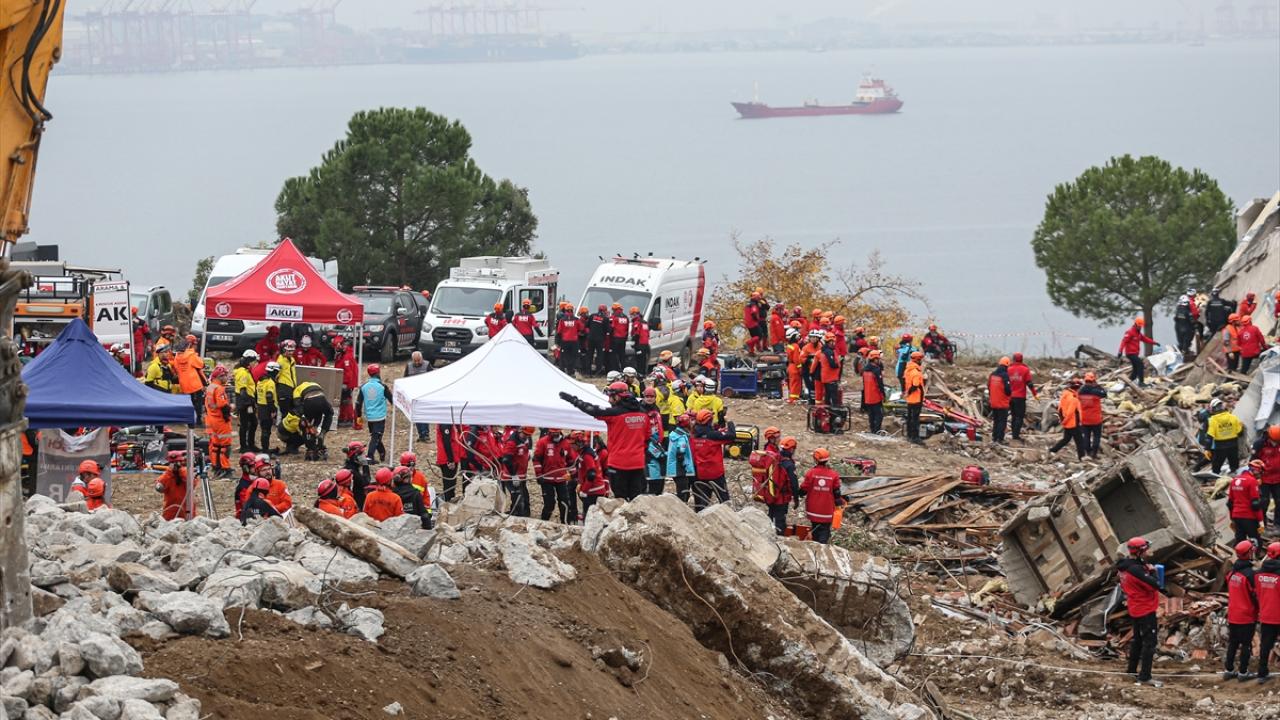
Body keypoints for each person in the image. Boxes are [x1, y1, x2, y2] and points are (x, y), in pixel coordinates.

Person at [559, 382, 649, 501]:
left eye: (610, 397)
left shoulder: (614, 413)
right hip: (638, 463)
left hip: (618, 463)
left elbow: (592, 409)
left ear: (617, 396)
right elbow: (647, 438)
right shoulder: (643, 413)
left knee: (620, 500)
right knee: (636, 499)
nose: (609, 400)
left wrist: (573, 400)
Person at [1117, 537, 1166, 686]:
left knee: (1137, 640)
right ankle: (1145, 676)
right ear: (1139, 552)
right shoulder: (1136, 570)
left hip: (1135, 607)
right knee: (1149, 643)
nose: (1149, 552)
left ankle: (1132, 670)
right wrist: (1153, 573)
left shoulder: (1124, 566)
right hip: (1145, 609)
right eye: (1146, 550)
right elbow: (1156, 585)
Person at [1224, 540, 1259, 680]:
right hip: (1246, 615)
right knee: (1246, 644)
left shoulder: (1232, 574)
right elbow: (1255, 595)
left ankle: (1229, 669)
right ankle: (1243, 672)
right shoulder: (1250, 575)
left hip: (1233, 614)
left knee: (1233, 643)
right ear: (1249, 553)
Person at [689, 409, 735, 511]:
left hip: (700, 473)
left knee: (702, 502)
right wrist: (730, 422)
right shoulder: (713, 435)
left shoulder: (694, 434)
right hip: (715, 473)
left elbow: (709, 431)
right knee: (724, 499)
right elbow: (732, 436)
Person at [800, 448, 845, 544]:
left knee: (815, 527)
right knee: (824, 530)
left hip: (812, 510)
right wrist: (839, 503)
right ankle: (822, 548)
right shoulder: (833, 475)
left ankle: (816, 545)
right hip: (827, 510)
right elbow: (836, 493)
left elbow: (803, 490)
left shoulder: (811, 473)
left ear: (815, 459)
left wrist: (796, 494)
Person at [751, 427, 792, 534]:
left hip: (771, 492)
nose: (779, 439)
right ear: (772, 439)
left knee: (772, 514)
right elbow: (774, 476)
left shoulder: (770, 450)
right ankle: (778, 537)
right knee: (779, 519)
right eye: (778, 437)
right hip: (776, 494)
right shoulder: (771, 455)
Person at [533, 429, 574, 523]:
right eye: (552, 432)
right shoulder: (543, 442)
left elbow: (570, 461)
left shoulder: (566, 443)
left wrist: (574, 476)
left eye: (556, 432)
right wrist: (539, 475)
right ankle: (543, 523)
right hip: (546, 479)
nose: (554, 434)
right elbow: (536, 459)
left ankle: (565, 523)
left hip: (561, 478)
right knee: (549, 504)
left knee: (564, 502)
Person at [356, 363, 391, 464]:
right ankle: (370, 456)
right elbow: (391, 398)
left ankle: (382, 452)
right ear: (378, 373)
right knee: (376, 437)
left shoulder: (363, 387)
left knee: (375, 436)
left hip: (370, 417)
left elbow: (358, 403)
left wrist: (359, 416)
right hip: (380, 417)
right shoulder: (382, 387)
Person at [1255, 542, 1280, 683]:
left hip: (1266, 615)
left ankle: (1262, 673)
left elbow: (1258, 593)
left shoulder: (1258, 574)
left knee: (1265, 644)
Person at [203, 365, 233, 478]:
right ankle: (225, 468)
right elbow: (222, 405)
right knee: (225, 445)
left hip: (211, 420)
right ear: (221, 376)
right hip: (220, 421)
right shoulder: (219, 388)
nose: (227, 378)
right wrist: (231, 408)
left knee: (215, 445)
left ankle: (216, 466)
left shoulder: (210, 387)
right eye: (225, 375)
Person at [571, 431, 609, 517]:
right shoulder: (584, 453)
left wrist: (584, 490)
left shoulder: (587, 455)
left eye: (573, 444)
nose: (571, 446)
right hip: (592, 490)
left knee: (590, 516)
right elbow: (583, 470)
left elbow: (591, 474)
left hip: (594, 491)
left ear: (579, 443)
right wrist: (573, 477)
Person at [293, 380, 333, 459]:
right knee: (329, 413)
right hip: (322, 399)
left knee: (306, 425)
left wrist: (302, 416)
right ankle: (322, 432)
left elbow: (297, 404)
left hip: (309, 401)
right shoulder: (316, 383)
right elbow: (322, 397)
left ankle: (310, 446)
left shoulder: (297, 390)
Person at [499, 427, 533, 517]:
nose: (527, 437)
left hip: (521, 474)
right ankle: (517, 516)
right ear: (520, 431)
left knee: (522, 496)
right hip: (511, 476)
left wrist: (528, 453)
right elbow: (506, 460)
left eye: (529, 435)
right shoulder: (512, 442)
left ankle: (519, 513)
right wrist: (514, 475)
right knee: (517, 498)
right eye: (525, 434)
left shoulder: (524, 439)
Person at [1229, 460, 1266, 544]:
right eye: (1260, 472)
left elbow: (1230, 503)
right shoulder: (1252, 481)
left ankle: (1240, 556)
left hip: (1236, 516)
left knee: (1240, 541)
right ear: (1256, 470)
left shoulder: (1234, 480)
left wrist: (1232, 518)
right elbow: (1255, 504)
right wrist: (1261, 521)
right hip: (1248, 517)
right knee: (1256, 542)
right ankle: (1253, 556)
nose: (1260, 475)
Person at [173, 336, 208, 423]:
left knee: (189, 401)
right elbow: (201, 364)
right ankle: (199, 420)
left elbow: (176, 367)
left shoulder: (177, 355)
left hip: (184, 383)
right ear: (193, 344)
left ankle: (189, 419)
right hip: (194, 383)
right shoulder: (191, 355)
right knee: (199, 402)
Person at [156, 451, 197, 520]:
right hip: (171, 511)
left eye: (177, 462)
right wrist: (170, 472)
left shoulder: (186, 473)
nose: (175, 465)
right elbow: (160, 488)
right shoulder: (167, 475)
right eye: (172, 463)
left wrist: (180, 471)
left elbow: (192, 484)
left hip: (187, 510)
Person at [1006, 352, 1038, 441]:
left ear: (1013, 359)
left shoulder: (1008, 369)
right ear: (1022, 359)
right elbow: (1029, 383)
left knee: (1013, 416)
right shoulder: (1025, 369)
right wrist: (1035, 394)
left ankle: (1013, 434)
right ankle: (1015, 436)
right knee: (1019, 417)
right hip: (1020, 397)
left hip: (1011, 397)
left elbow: (1005, 383)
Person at [1049, 380, 1084, 460]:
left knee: (1066, 439)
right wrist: (1065, 421)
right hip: (1073, 423)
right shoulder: (1073, 399)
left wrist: (1062, 420)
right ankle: (1081, 457)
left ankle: (1053, 450)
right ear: (1077, 389)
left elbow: (1060, 409)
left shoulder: (1065, 395)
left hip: (1067, 422)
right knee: (1079, 441)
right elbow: (1070, 413)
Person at [1207, 398, 1244, 474]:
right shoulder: (1233, 417)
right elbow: (1240, 433)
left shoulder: (1212, 420)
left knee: (1216, 465)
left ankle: (1216, 476)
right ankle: (1234, 474)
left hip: (1220, 446)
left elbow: (1210, 436)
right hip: (1233, 444)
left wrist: (1207, 449)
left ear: (1213, 409)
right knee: (1234, 463)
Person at [1254, 426, 1280, 528]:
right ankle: (1262, 525)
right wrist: (1257, 477)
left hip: (1278, 478)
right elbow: (1253, 462)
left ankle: (1278, 525)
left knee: (1279, 501)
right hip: (1264, 479)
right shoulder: (1259, 444)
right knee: (1264, 502)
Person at [1117, 317, 1156, 386]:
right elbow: (1123, 342)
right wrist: (1120, 351)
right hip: (1130, 353)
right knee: (1140, 364)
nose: (1140, 327)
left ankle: (1128, 383)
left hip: (1135, 353)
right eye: (1139, 326)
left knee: (1135, 369)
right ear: (1135, 324)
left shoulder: (1138, 333)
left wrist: (1154, 342)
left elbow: (1145, 339)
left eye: (1141, 326)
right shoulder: (1130, 332)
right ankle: (1141, 382)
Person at [1077, 372, 1107, 459]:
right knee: (1096, 436)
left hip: (1085, 419)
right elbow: (1104, 394)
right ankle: (1094, 453)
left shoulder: (1080, 392)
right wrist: (1097, 386)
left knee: (1086, 436)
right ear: (1093, 380)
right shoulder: (1096, 391)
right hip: (1096, 419)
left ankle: (1088, 452)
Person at [233, 350, 259, 452]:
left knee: (253, 423)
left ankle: (250, 444)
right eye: (253, 361)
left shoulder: (245, 371)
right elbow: (242, 390)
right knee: (245, 424)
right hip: (245, 402)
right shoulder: (242, 373)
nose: (255, 364)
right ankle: (244, 446)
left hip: (248, 401)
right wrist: (248, 403)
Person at [255, 361, 280, 453]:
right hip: (267, 408)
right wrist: (273, 410)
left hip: (261, 407)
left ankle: (265, 448)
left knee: (264, 429)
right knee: (266, 430)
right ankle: (265, 450)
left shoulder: (260, 381)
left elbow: (256, 395)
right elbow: (269, 396)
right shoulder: (270, 383)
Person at [333, 335, 358, 427]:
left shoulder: (346, 357)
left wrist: (345, 384)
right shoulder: (343, 355)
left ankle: (348, 418)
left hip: (346, 383)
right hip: (343, 382)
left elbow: (348, 372)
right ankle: (344, 417)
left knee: (346, 401)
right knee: (344, 401)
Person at [987, 357, 1012, 444]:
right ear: (1007, 365)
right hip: (1002, 403)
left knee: (996, 420)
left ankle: (994, 437)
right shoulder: (1005, 375)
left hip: (993, 402)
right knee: (1002, 421)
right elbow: (1008, 390)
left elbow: (988, 386)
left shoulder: (992, 374)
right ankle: (1000, 439)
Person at [860, 349, 886, 433]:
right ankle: (877, 430)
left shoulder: (865, 370)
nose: (879, 361)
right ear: (875, 359)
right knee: (879, 414)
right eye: (878, 359)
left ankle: (872, 429)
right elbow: (880, 384)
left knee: (871, 414)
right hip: (876, 396)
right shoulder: (876, 370)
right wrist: (883, 395)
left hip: (868, 397)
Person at [436, 425, 464, 502]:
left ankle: (449, 501)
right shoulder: (445, 424)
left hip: (451, 457)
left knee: (451, 483)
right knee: (449, 484)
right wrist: (450, 460)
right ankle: (448, 502)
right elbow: (446, 441)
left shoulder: (450, 423)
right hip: (447, 459)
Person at [903, 351, 926, 443]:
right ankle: (915, 437)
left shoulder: (907, 370)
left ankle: (909, 435)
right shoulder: (916, 372)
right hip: (916, 398)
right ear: (918, 360)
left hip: (910, 399)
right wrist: (909, 392)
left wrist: (907, 393)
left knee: (910, 418)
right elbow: (915, 385)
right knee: (915, 419)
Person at [343, 441, 372, 508]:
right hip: (354, 504)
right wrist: (365, 465)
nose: (363, 456)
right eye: (361, 454)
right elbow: (366, 481)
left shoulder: (349, 468)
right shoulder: (352, 472)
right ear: (355, 456)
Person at [817, 332, 841, 407]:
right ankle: (835, 411)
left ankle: (828, 409)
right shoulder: (829, 352)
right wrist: (838, 364)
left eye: (833, 342)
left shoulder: (825, 351)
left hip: (827, 376)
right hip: (830, 377)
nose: (833, 343)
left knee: (828, 395)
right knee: (834, 396)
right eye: (831, 342)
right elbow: (832, 364)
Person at [275, 340, 298, 414]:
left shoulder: (292, 360)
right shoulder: (280, 361)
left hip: (292, 387)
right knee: (285, 413)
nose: (291, 353)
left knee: (292, 412)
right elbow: (276, 375)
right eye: (289, 351)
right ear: (283, 350)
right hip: (283, 388)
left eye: (292, 351)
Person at [556, 306, 581, 376]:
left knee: (563, 356)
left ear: (565, 310)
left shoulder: (562, 320)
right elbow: (580, 328)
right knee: (573, 357)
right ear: (572, 310)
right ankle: (571, 371)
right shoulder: (576, 319)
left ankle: (562, 371)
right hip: (574, 341)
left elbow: (559, 331)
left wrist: (558, 342)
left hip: (565, 341)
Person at [1174, 290, 1198, 356]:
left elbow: (1175, 319)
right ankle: (1185, 352)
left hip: (1178, 328)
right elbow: (1191, 320)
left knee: (1180, 341)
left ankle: (1181, 350)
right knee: (1187, 341)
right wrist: (1195, 326)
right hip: (1187, 328)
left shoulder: (1178, 310)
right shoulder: (1187, 311)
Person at [784, 327, 804, 404]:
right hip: (794, 367)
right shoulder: (795, 346)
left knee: (793, 383)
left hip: (790, 366)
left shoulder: (789, 346)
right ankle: (793, 399)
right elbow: (796, 359)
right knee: (795, 383)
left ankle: (793, 398)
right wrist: (799, 368)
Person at [609, 304, 630, 372]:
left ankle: (615, 370)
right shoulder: (626, 317)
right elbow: (627, 329)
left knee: (613, 355)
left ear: (615, 309)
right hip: (623, 339)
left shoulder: (614, 317)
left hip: (615, 338)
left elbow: (612, 327)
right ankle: (623, 369)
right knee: (622, 355)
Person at [629, 307, 650, 371]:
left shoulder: (637, 322)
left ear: (634, 314)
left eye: (631, 315)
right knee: (644, 361)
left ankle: (640, 373)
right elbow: (647, 334)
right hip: (646, 344)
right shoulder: (645, 323)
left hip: (640, 344)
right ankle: (643, 373)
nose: (631, 316)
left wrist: (633, 341)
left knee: (639, 360)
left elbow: (636, 334)